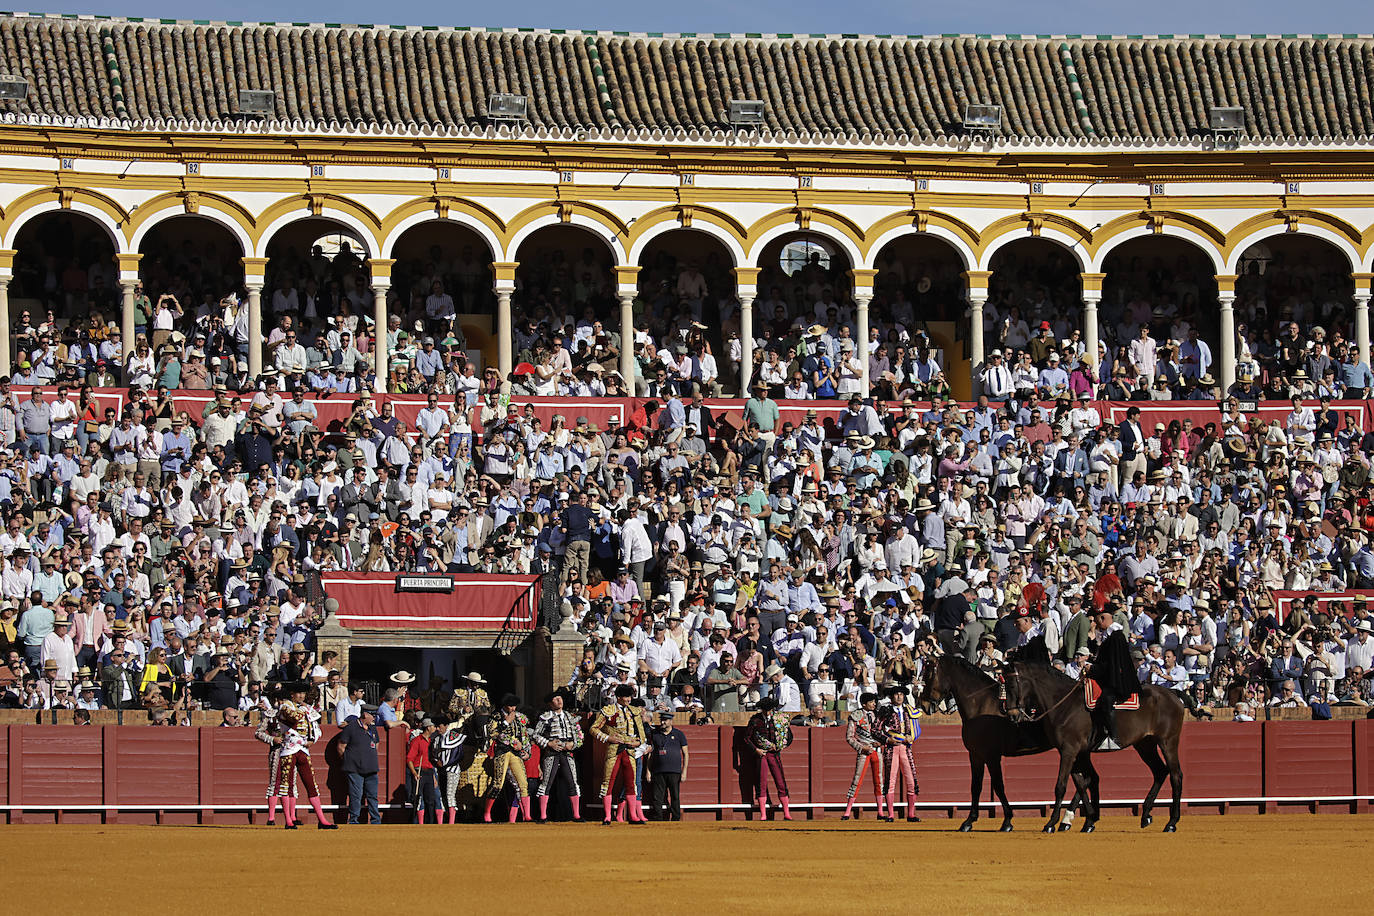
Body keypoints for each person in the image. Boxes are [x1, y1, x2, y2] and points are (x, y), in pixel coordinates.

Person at [275, 693, 337, 829]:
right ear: (292, 695)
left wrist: (312, 740)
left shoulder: (304, 707)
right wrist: (305, 709)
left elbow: (316, 728)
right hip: (288, 750)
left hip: (303, 750)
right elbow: (294, 718)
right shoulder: (285, 707)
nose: (302, 696)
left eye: (303, 693)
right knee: (286, 785)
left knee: (312, 785)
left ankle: (322, 820)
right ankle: (288, 821)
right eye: (299, 693)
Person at [591, 683, 648, 825]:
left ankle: (633, 815)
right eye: (626, 696)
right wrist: (608, 738)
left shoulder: (635, 712)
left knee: (631, 783)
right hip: (614, 751)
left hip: (629, 751)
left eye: (630, 696)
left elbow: (642, 735)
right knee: (607, 783)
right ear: (618, 697)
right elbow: (593, 729)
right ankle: (607, 816)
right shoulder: (608, 710)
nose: (628, 699)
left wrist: (637, 743)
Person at [1084, 603, 1139, 751]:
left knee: (1106, 699)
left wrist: (1093, 668)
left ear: (1102, 618)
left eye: (1097, 620)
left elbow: (1112, 665)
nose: (1095, 624)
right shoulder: (1108, 636)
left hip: (1117, 680)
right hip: (1108, 676)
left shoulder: (1116, 636)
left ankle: (1114, 736)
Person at [532, 687, 584, 822]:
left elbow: (579, 736)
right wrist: (549, 744)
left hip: (567, 752)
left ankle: (576, 815)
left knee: (573, 782)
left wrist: (572, 744)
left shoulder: (570, 717)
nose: (559, 700)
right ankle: (543, 816)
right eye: (555, 699)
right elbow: (536, 735)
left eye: (559, 698)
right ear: (550, 704)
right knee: (546, 783)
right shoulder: (545, 718)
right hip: (551, 753)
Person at [484, 693, 533, 823]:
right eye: (511, 706)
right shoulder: (496, 716)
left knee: (523, 783)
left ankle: (527, 815)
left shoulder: (520, 717)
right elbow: (493, 734)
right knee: (498, 784)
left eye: (514, 706)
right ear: (505, 706)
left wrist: (526, 750)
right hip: (502, 752)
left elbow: (525, 735)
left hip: (516, 754)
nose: (513, 708)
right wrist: (506, 722)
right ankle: (487, 812)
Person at [745, 696, 793, 821]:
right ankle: (763, 814)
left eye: (769, 709)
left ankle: (787, 813)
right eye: (765, 710)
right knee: (761, 782)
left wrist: (782, 745)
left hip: (774, 754)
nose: (767, 712)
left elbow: (789, 736)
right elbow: (747, 738)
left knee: (780, 781)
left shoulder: (779, 720)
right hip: (762, 754)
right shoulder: (755, 720)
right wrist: (756, 750)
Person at [841, 691, 887, 821]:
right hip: (864, 752)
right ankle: (847, 811)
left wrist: (881, 742)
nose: (874, 704)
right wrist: (862, 748)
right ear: (863, 704)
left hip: (877, 751)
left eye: (874, 701)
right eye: (871, 702)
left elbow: (883, 732)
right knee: (857, 780)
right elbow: (849, 737)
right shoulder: (856, 715)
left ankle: (880, 812)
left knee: (879, 782)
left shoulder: (878, 716)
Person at [878, 684, 921, 822]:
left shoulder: (909, 711)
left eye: (901, 694)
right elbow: (876, 730)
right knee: (890, 781)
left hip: (906, 748)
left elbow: (916, 729)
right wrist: (887, 739)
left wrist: (912, 737)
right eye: (896, 694)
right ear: (891, 696)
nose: (899, 696)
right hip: (892, 748)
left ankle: (911, 814)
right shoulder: (886, 711)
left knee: (911, 781)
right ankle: (890, 814)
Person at [337, 703, 380, 825]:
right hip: (355, 768)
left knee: (373, 796)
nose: (374, 718)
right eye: (373, 715)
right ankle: (354, 820)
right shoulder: (351, 728)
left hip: (371, 767)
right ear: (365, 714)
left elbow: (376, 745)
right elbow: (341, 747)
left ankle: (375, 820)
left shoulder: (372, 728)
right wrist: (348, 760)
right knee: (356, 796)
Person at [647, 710, 689, 821]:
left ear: (671, 721)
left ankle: (676, 818)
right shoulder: (655, 734)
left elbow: (686, 753)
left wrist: (684, 771)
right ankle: (658, 818)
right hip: (658, 770)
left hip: (674, 771)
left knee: (675, 796)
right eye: (662, 720)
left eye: (665, 720)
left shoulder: (679, 734)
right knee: (657, 797)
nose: (662, 722)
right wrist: (648, 770)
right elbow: (650, 753)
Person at [429, 717, 467, 825]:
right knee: (440, 795)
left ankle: (451, 822)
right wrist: (437, 762)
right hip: (440, 770)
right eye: (436, 726)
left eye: (439, 726)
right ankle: (441, 822)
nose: (437, 729)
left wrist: (445, 764)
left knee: (450, 794)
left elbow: (459, 755)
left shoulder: (455, 737)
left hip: (452, 769)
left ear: (446, 726)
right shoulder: (436, 739)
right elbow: (433, 755)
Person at [407, 717, 440, 824]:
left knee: (430, 799)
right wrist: (414, 773)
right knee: (417, 799)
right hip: (419, 771)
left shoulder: (431, 742)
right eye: (433, 726)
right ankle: (416, 823)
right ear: (428, 728)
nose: (435, 728)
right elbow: (409, 759)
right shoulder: (417, 741)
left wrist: (434, 777)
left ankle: (429, 823)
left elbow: (431, 762)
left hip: (429, 772)